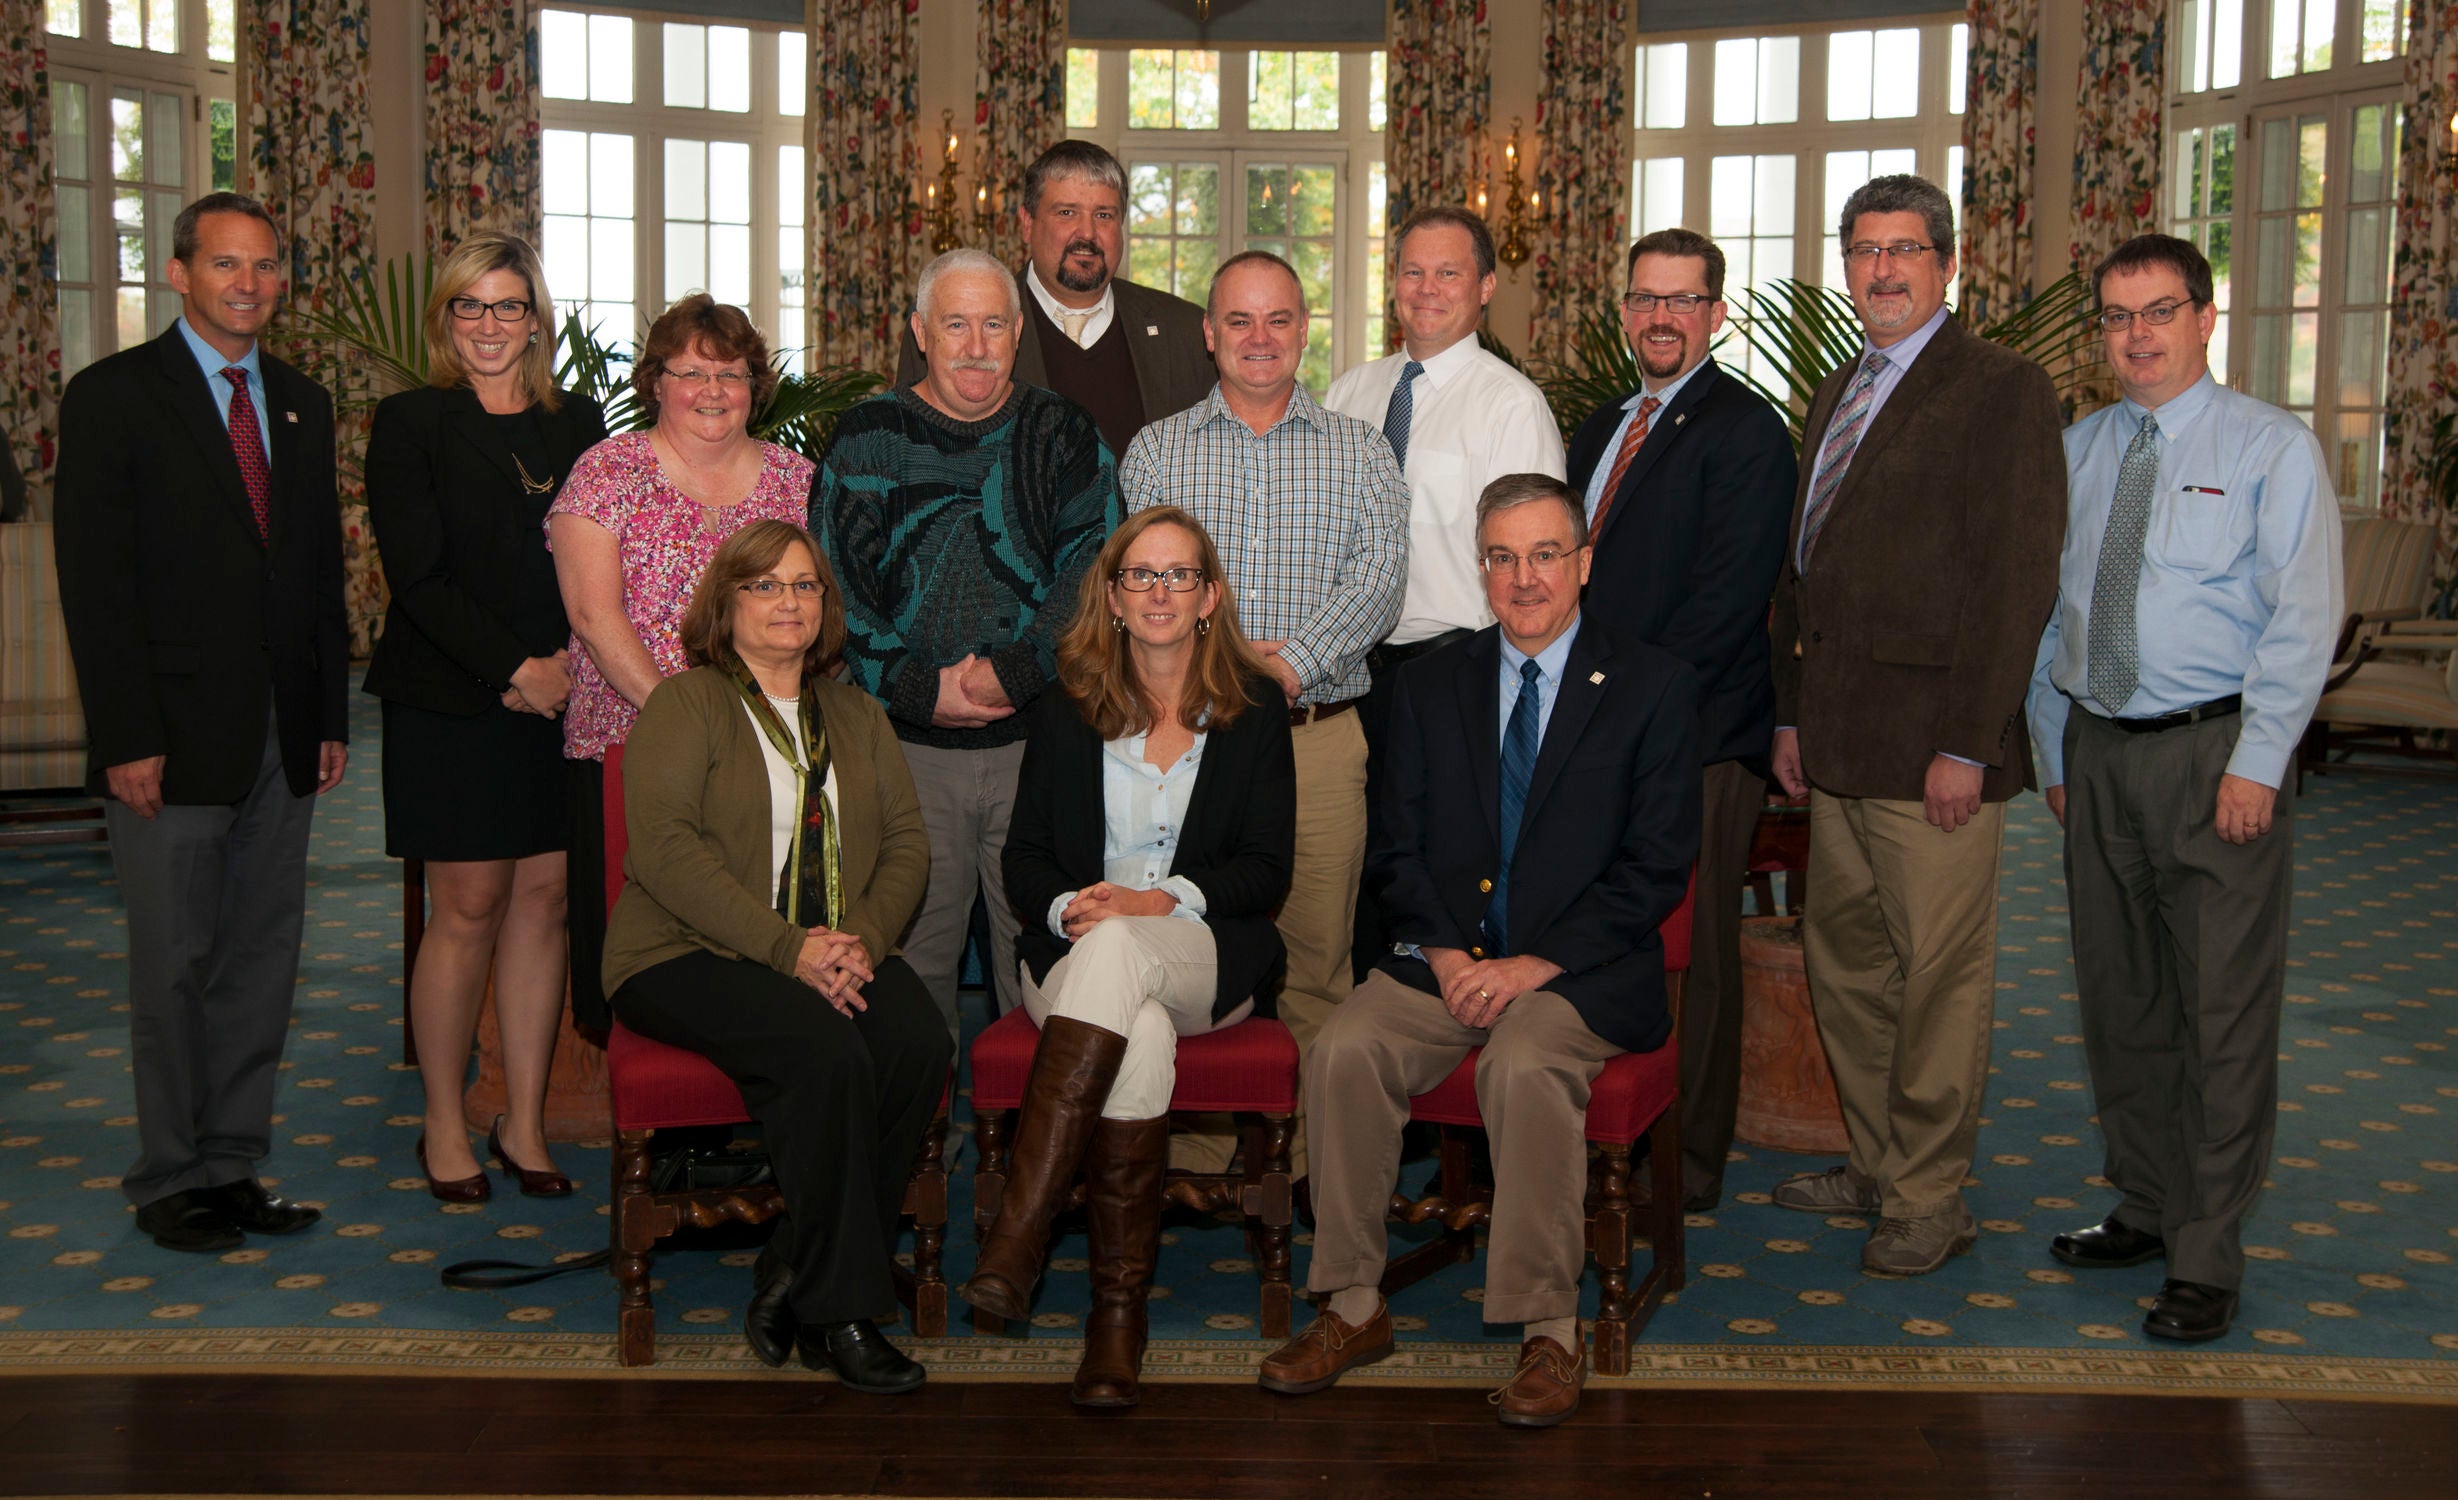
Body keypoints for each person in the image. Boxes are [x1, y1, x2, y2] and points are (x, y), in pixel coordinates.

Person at [1257, 474, 1698, 1428]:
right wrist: (1450, 955)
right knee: (1341, 1048)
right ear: (1480, 568)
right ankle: (1351, 1305)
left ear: (1583, 563)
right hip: (1445, 959)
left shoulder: (1653, 686)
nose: (1524, 578)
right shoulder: (1431, 681)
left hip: (1579, 975)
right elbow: (1398, 844)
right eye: (1503, 557)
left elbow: (1655, 868)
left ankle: (1549, 1328)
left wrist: (1534, 967)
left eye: (1546, 555)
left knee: (1526, 1065)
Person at [2028, 233, 2342, 1342]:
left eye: (2159, 310)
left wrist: (2261, 761)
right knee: (2121, 1002)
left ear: (2205, 318)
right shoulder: (2075, 450)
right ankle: (2148, 1202)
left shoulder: (2268, 447)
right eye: (2116, 317)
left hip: (2215, 759)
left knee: (2219, 1013)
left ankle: (2207, 1253)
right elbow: (2050, 615)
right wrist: (2051, 748)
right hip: (2097, 752)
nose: (2137, 335)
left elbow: (2304, 618)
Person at [1765, 175, 2066, 1275]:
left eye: (1903, 250)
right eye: (1863, 250)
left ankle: (1930, 1196)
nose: (1881, 270)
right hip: (1837, 744)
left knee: (1938, 979)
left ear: (1948, 263)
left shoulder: (2002, 390)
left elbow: (2013, 583)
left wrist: (1967, 742)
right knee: (1846, 969)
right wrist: (1791, 718)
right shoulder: (1833, 389)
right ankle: (1879, 1164)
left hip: (1936, 750)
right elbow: (1801, 576)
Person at [52, 191, 348, 1252]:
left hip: (285, 734)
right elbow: (95, 584)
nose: (249, 285)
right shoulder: (113, 398)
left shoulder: (305, 402)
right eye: (227, 264)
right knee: (172, 961)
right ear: (178, 273)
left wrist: (324, 715)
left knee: (262, 956)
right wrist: (125, 734)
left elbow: (317, 575)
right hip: (167, 737)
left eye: (266, 266)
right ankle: (168, 1173)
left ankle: (231, 1164)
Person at [604, 520, 950, 1392]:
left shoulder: (855, 712)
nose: (787, 602)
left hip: (834, 943)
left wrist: (860, 944)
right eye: (765, 586)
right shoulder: (688, 704)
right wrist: (787, 948)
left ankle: (795, 1264)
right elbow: (665, 852)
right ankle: (840, 1313)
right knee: (825, 1051)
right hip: (684, 953)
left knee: (917, 1043)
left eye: (804, 586)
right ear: (725, 605)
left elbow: (908, 842)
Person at [963, 505, 1296, 1408]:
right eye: (1139, 575)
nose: (1158, 592)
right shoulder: (1070, 704)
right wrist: (1072, 907)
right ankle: (1118, 1318)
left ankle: (1015, 1245)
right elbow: (1024, 856)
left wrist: (1160, 901)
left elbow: (1267, 868)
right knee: (1136, 1029)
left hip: (1204, 956)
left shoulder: (1256, 706)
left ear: (1209, 597)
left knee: (1131, 955)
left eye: (1178, 575)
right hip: (1076, 954)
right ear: (1111, 596)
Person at [1119, 250, 1408, 1179]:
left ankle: (1318, 1169)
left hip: (1316, 740)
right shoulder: (1158, 450)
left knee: (1320, 961)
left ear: (1304, 331)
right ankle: (1200, 1155)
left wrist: (1288, 668)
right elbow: (1147, 592)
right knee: (1192, 946)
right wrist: (1234, 673)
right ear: (1209, 333)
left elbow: (1380, 580)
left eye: (1278, 319)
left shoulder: (1360, 449)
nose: (1258, 338)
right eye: (1238, 321)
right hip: (1185, 743)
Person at [813, 248, 1119, 1050]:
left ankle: (1029, 1162)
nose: (976, 345)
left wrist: (1013, 673)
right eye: (955, 324)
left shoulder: (1063, 433)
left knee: (1045, 960)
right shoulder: (868, 435)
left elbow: (1092, 569)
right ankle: (917, 1157)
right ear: (921, 331)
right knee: (913, 963)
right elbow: (837, 581)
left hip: (1039, 749)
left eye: (993, 324)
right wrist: (918, 688)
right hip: (902, 751)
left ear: (1018, 334)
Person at [361, 231, 608, 1202]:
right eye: (471, 306)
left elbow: (600, 563)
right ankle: (443, 1122)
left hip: (562, 695)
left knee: (543, 906)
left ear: (537, 322)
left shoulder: (578, 422)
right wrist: (512, 669)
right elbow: (415, 577)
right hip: (451, 700)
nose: (490, 325)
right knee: (465, 908)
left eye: (509, 307)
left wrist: (564, 670)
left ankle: (527, 1119)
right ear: (446, 320)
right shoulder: (410, 422)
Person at [1563, 228, 1798, 1211]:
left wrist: (1614, 717)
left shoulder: (1744, 433)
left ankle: (1687, 1160)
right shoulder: (1599, 428)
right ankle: (1603, 1132)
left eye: (1682, 301)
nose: (1661, 317)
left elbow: (1723, 604)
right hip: (1596, 737)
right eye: (1645, 299)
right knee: (1607, 940)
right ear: (1624, 311)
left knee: (1688, 953)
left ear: (1716, 315)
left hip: (1693, 743)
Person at [548, 294, 813, 1031]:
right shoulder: (607, 472)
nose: (712, 391)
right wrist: (693, 726)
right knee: (652, 956)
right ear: (655, 381)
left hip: (769, 757)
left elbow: (814, 616)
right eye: (690, 372)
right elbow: (596, 619)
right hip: (631, 747)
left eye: (730, 373)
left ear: (755, 386)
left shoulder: (798, 481)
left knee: (758, 948)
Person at [1324, 207, 1564, 981]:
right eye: (1412, 272)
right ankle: (1362, 1052)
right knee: (1356, 866)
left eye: (1449, 272)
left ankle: (1439, 1050)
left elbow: (1536, 569)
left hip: (1458, 669)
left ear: (1486, 286)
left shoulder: (1511, 405)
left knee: (1439, 867)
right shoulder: (1350, 392)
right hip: (1350, 673)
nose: (1427, 290)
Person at [894, 140, 1213, 456]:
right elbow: (913, 454)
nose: (1087, 233)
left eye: (1103, 215)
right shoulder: (950, 328)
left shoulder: (1184, 331)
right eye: (1067, 212)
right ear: (1027, 223)